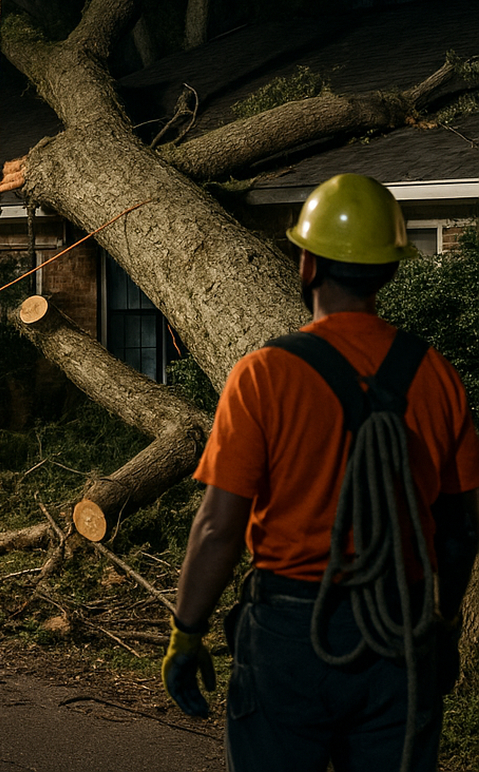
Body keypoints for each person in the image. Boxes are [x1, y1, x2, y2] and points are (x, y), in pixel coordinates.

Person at [162, 174, 479, 771]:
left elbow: (217, 528)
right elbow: (460, 528)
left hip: (290, 635)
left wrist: (188, 630)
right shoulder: (437, 376)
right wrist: (443, 621)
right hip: (398, 634)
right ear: (390, 268)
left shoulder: (263, 376)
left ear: (307, 264)